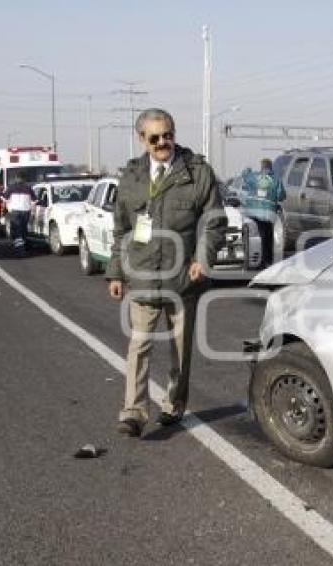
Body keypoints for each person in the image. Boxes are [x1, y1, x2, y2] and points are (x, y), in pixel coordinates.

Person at [106, 108, 226, 438]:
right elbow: (121, 229)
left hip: (183, 279)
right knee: (139, 345)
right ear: (142, 139)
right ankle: (133, 411)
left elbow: (213, 221)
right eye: (155, 137)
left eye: (168, 135)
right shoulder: (131, 176)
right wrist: (116, 273)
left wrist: (203, 257)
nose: (163, 142)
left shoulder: (196, 172)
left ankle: (173, 404)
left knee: (180, 349)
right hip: (142, 276)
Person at [2, 172, 34, 257]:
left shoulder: (11, 187)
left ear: (16, 178)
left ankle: (19, 250)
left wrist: (4, 208)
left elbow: (4, 198)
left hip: (15, 211)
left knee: (17, 231)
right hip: (26, 211)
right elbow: (34, 200)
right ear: (24, 179)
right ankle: (23, 248)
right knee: (23, 230)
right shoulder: (28, 188)